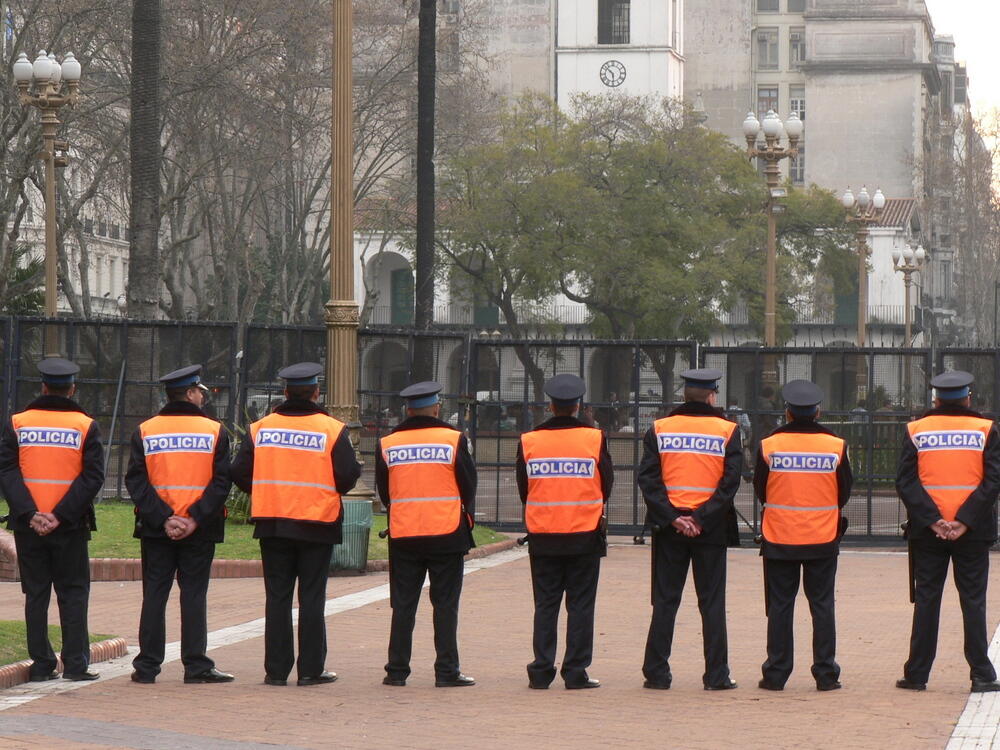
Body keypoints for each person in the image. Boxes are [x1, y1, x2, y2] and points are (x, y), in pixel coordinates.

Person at [231, 362, 361, 687]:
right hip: (317, 523)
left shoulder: (260, 428)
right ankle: (310, 670)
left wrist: (265, 489)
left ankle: (276, 671)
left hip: (274, 523)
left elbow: (239, 472)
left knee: (277, 597)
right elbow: (347, 477)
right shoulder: (331, 429)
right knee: (312, 597)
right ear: (316, 392)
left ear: (286, 392)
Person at [125, 364, 234, 685]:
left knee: (155, 594)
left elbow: (136, 481)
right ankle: (196, 665)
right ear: (189, 393)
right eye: (200, 390)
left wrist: (164, 518)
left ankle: (146, 667)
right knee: (194, 594)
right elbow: (221, 482)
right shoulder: (215, 431)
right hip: (199, 529)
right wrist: (192, 518)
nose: (203, 395)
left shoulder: (145, 430)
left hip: (157, 529)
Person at [895, 370, 1000, 693]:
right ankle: (981, 674)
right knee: (973, 600)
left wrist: (933, 520)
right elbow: (993, 480)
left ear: (936, 399)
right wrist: (964, 520)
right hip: (973, 529)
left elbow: (906, 481)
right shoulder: (986, 429)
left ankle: (917, 674)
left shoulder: (916, 430)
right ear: (968, 398)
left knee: (927, 599)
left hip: (929, 532)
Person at [0, 358, 104, 682]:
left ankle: (42, 663)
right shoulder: (85, 425)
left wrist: (31, 514)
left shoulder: (18, 422)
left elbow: (7, 470)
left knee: (36, 593)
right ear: (72, 389)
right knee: (73, 593)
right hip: (70, 526)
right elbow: (93, 476)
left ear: (43, 387)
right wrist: (59, 515)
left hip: (28, 527)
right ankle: (75, 664)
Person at [638, 368, 742, 691]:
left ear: (685, 395)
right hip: (710, 529)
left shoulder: (660, 428)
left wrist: (674, 518)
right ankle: (716, 676)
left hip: (670, 529)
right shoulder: (727, 431)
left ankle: (656, 673)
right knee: (711, 603)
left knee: (666, 600)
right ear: (712, 395)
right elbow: (730, 483)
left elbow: (649, 479)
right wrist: (701, 518)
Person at [753, 380, 852, 692]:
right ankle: (826, 674)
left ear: (788, 413)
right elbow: (845, 492)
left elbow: (759, 488)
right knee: (822, 605)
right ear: (818, 411)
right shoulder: (836, 446)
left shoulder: (770, 445)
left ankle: (776, 673)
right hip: (822, 537)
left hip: (780, 537)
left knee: (780, 605)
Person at [376, 381, 477, 688]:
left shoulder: (387, 444)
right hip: (446, 532)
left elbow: (384, 490)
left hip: (405, 533)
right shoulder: (453, 439)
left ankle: (396, 670)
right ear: (436, 408)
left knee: (403, 604)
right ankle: (447, 671)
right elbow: (468, 483)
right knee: (445, 605)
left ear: (408, 409)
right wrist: (464, 518)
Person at [516, 374, 613, 690]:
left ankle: (541, 670)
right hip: (584, 533)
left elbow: (523, 488)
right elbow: (607, 483)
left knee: (545, 604)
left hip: (543, 534)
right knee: (581, 606)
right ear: (578, 406)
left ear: (550, 405)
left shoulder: (530, 441)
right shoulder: (594, 439)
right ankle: (575, 671)